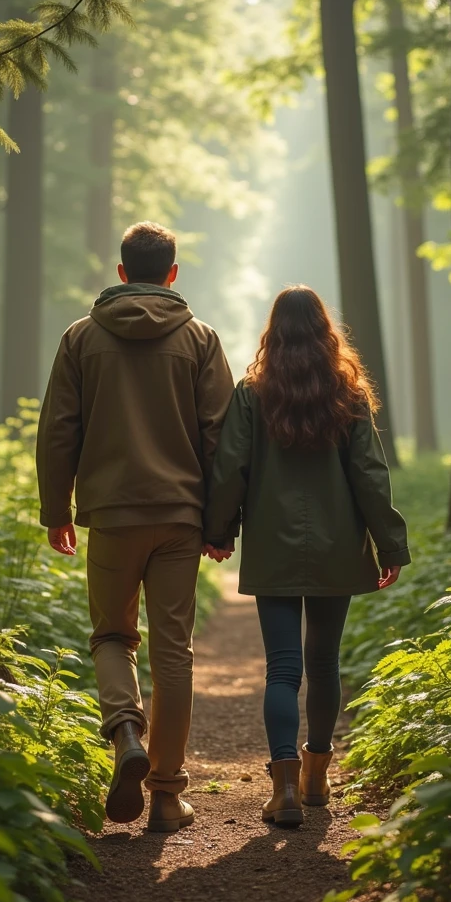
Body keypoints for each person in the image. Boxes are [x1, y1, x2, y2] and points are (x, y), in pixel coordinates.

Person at [36, 221, 234, 833]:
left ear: (122, 273)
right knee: (174, 651)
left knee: (112, 636)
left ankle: (126, 733)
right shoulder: (200, 339)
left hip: (112, 515)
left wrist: (57, 511)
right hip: (179, 516)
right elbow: (222, 437)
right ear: (172, 273)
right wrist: (221, 522)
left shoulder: (79, 338)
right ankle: (169, 796)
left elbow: (57, 431)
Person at [203, 285, 410, 827]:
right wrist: (390, 543)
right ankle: (317, 779)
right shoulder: (349, 393)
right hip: (338, 546)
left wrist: (219, 529)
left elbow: (230, 469)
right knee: (323, 663)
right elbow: (369, 474)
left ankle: (285, 789)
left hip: (272, 544)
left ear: (275, 330)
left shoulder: (253, 392)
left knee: (283, 667)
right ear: (325, 331)